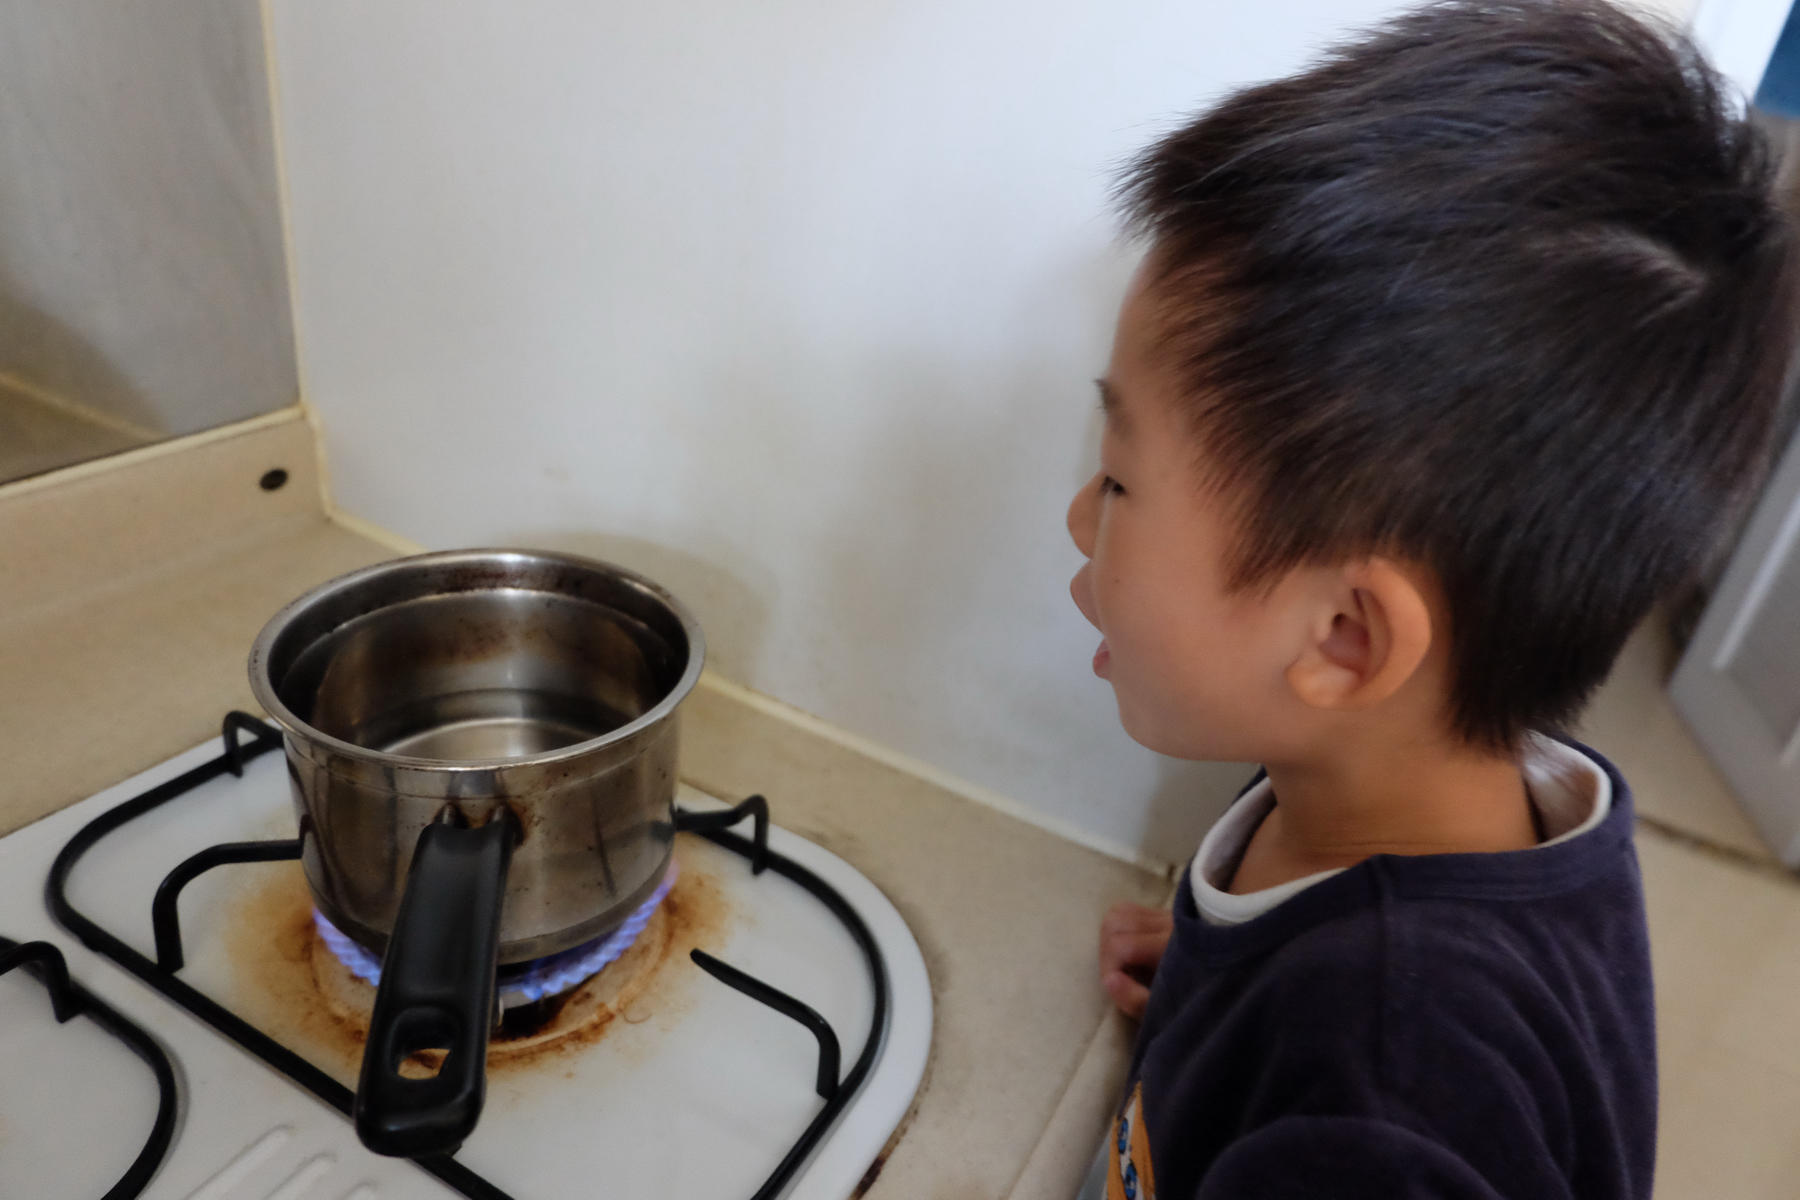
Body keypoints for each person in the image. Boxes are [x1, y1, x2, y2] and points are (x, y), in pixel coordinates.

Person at [1065, 2, 1797, 1197]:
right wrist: (1231, 994)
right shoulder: (1407, 792)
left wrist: (1323, 1045)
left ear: (1346, 638)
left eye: (1119, 481)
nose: (1078, 518)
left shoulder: (1388, 1102)